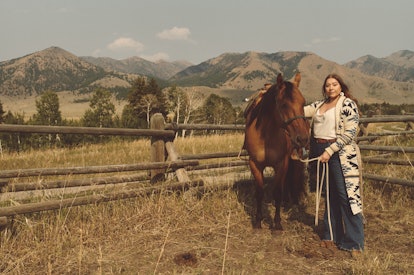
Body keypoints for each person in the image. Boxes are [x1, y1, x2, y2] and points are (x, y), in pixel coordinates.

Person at [304, 73, 364, 256]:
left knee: (346, 196)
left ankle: (355, 242)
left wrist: (330, 151)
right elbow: (299, 110)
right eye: (328, 85)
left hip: (341, 154)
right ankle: (331, 235)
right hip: (320, 152)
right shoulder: (319, 105)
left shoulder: (347, 105)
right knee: (329, 195)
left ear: (341, 86)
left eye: (334, 84)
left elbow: (350, 133)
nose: (331, 88)